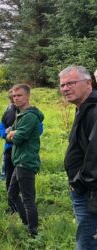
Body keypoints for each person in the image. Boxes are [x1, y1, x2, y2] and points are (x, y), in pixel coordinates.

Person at [59, 65, 97, 249]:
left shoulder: (94, 110)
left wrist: (79, 182)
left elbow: (95, 157)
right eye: (62, 85)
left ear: (88, 83)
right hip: (86, 189)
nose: (65, 88)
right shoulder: (83, 107)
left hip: (90, 193)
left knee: (87, 243)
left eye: (71, 83)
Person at [6, 84, 44, 237]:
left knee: (28, 198)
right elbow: (10, 134)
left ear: (28, 96)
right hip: (19, 161)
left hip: (26, 161)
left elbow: (18, 138)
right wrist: (11, 133)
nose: (16, 98)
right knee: (12, 194)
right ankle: (26, 222)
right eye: (14, 96)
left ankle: (33, 233)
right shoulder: (19, 114)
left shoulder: (29, 116)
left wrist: (12, 134)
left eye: (19, 95)